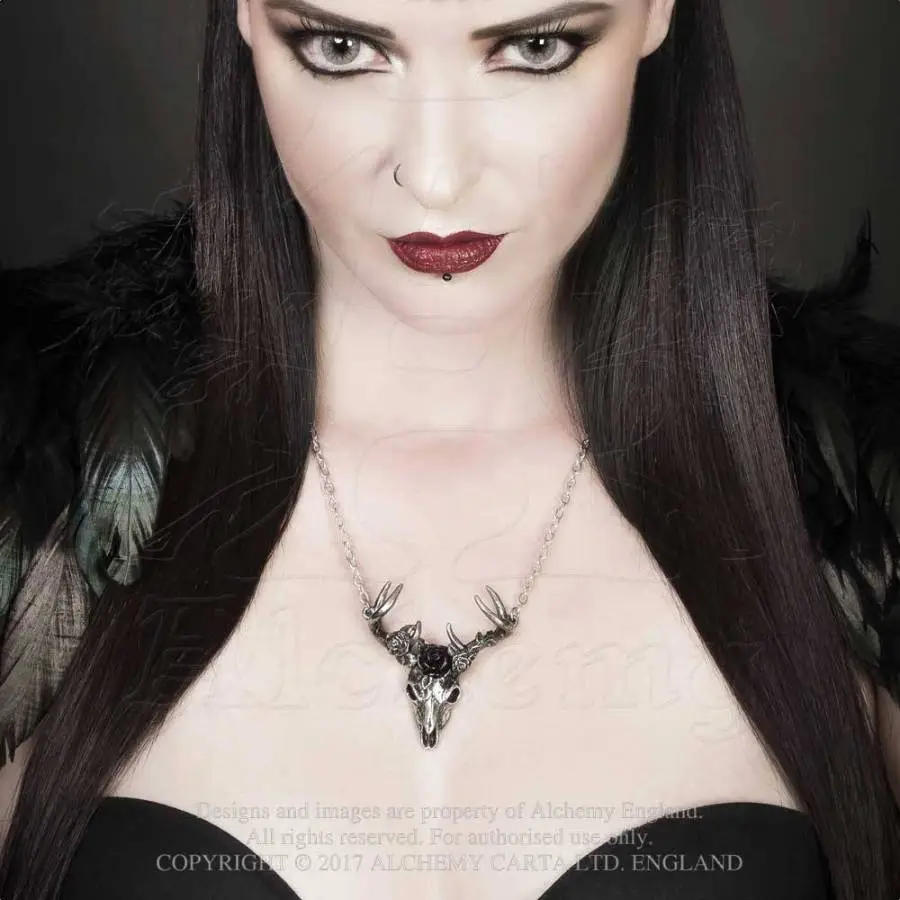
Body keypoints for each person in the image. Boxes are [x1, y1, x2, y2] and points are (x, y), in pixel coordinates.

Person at [0, 0, 898, 897]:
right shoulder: (28, 473)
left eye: (534, 48)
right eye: (342, 48)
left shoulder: (865, 502)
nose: (434, 180)